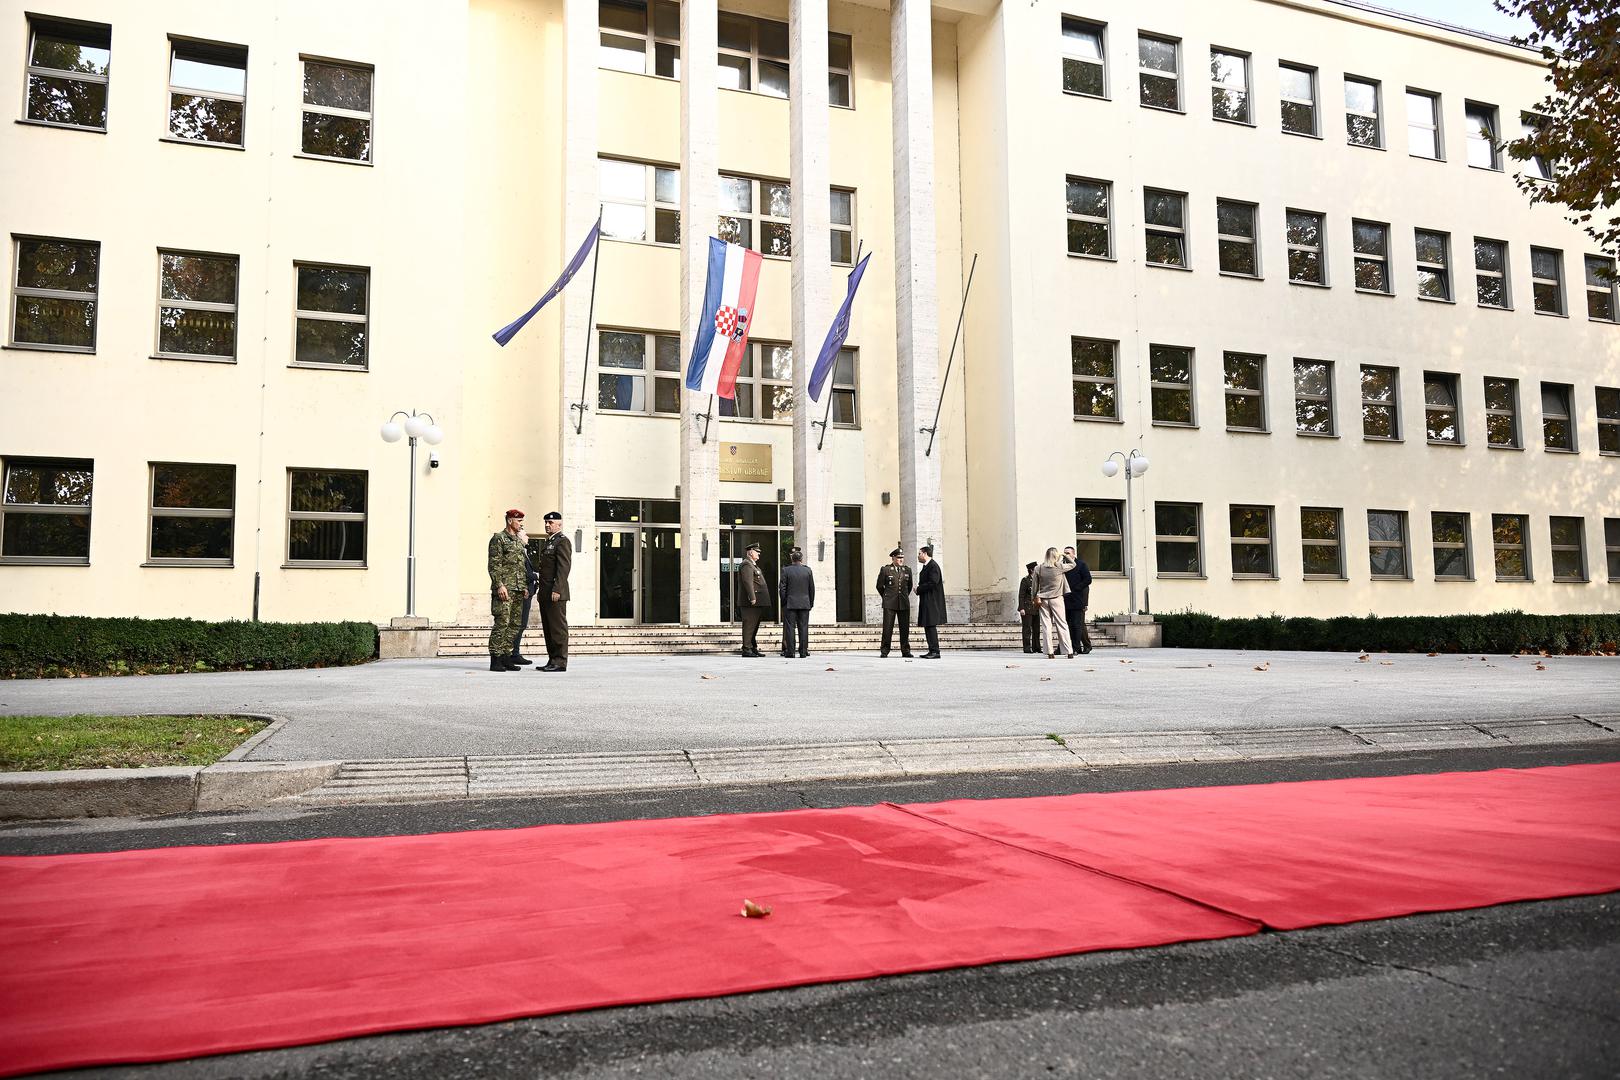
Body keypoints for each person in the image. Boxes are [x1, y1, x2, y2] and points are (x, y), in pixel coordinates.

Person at [486, 509, 528, 671]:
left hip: (517, 589)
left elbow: (521, 567)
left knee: (514, 624)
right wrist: (499, 585)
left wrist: (523, 586)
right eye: (519, 521)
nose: (521, 525)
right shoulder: (498, 539)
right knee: (502, 623)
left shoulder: (518, 541)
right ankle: (495, 658)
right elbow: (494, 565)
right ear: (510, 521)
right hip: (504, 589)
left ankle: (506, 656)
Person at [535, 511, 572, 672]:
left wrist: (557, 589)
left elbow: (563, 569)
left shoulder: (562, 542)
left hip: (555, 593)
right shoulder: (549, 542)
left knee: (558, 628)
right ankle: (552, 659)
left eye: (550, 523)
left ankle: (560, 661)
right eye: (546, 523)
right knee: (548, 629)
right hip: (545, 593)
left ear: (559, 524)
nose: (547, 525)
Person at [509, 523, 540, 667]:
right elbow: (522, 573)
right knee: (519, 624)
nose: (527, 537)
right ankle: (512, 654)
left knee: (521, 624)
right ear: (519, 537)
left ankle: (515, 653)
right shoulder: (518, 552)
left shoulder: (524, 551)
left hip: (527, 593)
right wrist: (536, 575)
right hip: (522, 593)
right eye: (525, 534)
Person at [1034, 547, 1074, 659]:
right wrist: (1065, 555)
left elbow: (1035, 586)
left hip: (1043, 599)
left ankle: (1050, 652)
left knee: (1046, 626)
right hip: (1057, 598)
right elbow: (1073, 564)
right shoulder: (1059, 567)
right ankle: (1068, 651)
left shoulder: (1039, 568)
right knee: (1062, 624)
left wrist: (1035, 598)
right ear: (1056, 556)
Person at [875, 548, 914, 658]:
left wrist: (904, 596)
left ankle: (905, 650)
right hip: (889, 603)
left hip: (903, 602)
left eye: (902, 558)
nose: (901, 560)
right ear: (893, 558)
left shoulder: (907, 570)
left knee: (905, 628)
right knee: (887, 628)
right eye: (898, 558)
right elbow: (879, 586)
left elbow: (909, 586)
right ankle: (885, 650)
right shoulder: (886, 570)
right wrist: (886, 596)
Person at [779, 548, 815, 658]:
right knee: (803, 627)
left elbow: (782, 588)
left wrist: (784, 602)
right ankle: (803, 652)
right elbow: (811, 588)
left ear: (792, 559)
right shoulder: (808, 570)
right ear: (801, 559)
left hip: (790, 603)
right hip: (804, 603)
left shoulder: (786, 570)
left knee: (790, 628)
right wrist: (811, 602)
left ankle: (790, 652)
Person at [738, 541, 770, 657]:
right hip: (750, 602)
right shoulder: (746, 564)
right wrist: (752, 597)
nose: (759, 555)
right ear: (751, 552)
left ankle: (752, 647)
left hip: (757, 602)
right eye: (757, 552)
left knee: (754, 626)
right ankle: (746, 649)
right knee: (749, 625)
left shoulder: (753, 565)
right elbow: (748, 582)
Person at [1061, 545, 1094, 655]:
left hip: (1077, 599)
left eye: (1068, 553)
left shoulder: (1081, 565)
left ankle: (1076, 647)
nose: (1065, 555)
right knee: (1067, 625)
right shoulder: (1062, 566)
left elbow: (1088, 579)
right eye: (1064, 553)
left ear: (1074, 554)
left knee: (1077, 624)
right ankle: (1067, 647)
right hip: (1065, 599)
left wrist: (1076, 589)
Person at [916, 545, 946, 659]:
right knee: (928, 626)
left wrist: (919, 589)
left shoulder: (933, 566)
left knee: (931, 625)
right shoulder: (927, 566)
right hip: (927, 600)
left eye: (919, 554)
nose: (918, 556)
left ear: (924, 554)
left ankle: (935, 651)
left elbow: (933, 582)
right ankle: (931, 650)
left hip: (932, 602)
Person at [1017, 561, 1040, 653]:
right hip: (1027, 608)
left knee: (1036, 629)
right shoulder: (1025, 580)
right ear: (1031, 570)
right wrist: (1021, 608)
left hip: (1036, 607)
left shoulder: (1038, 580)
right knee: (1027, 629)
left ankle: (1037, 647)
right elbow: (1021, 595)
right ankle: (1027, 647)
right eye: (1036, 569)